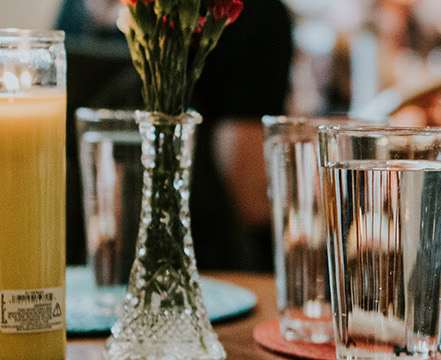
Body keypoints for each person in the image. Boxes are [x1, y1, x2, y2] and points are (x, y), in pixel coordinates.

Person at [59, 0, 296, 271]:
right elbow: (248, 201)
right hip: (212, 273)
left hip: (87, 270)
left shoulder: (78, 8)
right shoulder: (250, 11)